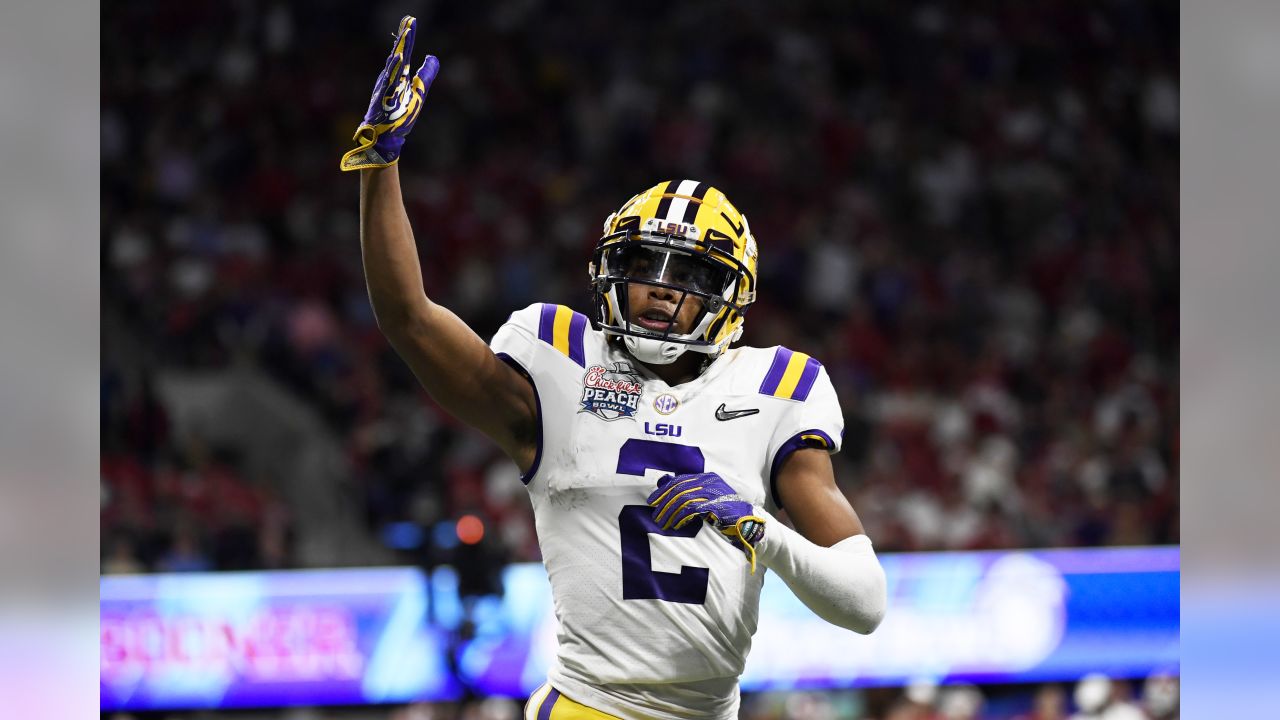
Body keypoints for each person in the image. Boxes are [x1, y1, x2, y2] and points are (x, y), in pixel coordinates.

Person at [341, 16, 887, 720]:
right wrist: (380, 166)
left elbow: (865, 604)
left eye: (687, 273)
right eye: (641, 265)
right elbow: (409, 318)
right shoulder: (558, 357)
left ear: (729, 297)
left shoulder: (777, 388)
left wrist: (758, 528)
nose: (659, 287)